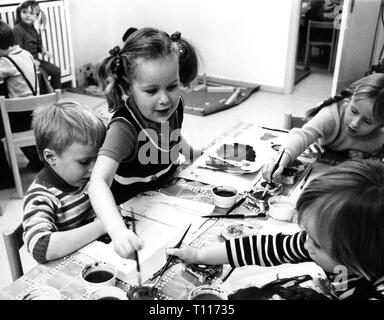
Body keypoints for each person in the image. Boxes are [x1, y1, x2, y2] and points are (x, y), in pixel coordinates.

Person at [168, 160, 384, 300]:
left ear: (357, 256)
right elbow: (262, 248)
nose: (305, 243)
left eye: (316, 242)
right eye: (306, 232)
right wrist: (197, 254)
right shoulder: (320, 245)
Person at [89, 27, 201, 259]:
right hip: (133, 216)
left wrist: (194, 155)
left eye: (172, 86)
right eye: (151, 90)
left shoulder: (175, 104)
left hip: (166, 196)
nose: (164, 99)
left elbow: (171, 137)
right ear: (129, 88)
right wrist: (118, 231)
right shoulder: (123, 128)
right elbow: (97, 182)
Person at [22, 101, 107, 263]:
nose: (94, 168)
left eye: (98, 158)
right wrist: (101, 226)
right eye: (84, 161)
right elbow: (41, 247)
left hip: (93, 255)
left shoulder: (86, 179)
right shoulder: (41, 196)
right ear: (51, 157)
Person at [262, 73, 384, 182]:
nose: (355, 123)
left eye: (367, 121)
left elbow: (377, 168)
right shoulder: (330, 115)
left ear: (380, 124)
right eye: (353, 111)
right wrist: (280, 162)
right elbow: (304, 135)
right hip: (317, 158)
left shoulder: (380, 137)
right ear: (348, 100)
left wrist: (366, 159)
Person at [0, 20, 42, 183]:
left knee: (2, 125)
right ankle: (37, 159)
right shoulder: (26, 54)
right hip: (37, 110)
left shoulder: (5, 62)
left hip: (21, 117)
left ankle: (5, 177)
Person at [13, 1, 61, 90]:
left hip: (36, 61)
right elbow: (18, 51)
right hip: (26, 64)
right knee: (43, 76)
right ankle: (46, 98)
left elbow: (38, 45)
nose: (27, 15)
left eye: (31, 13)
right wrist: (32, 61)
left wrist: (44, 51)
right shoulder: (17, 30)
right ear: (20, 13)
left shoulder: (34, 29)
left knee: (56, 71)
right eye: (24, 12)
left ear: (36, 15)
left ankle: (56, 96)